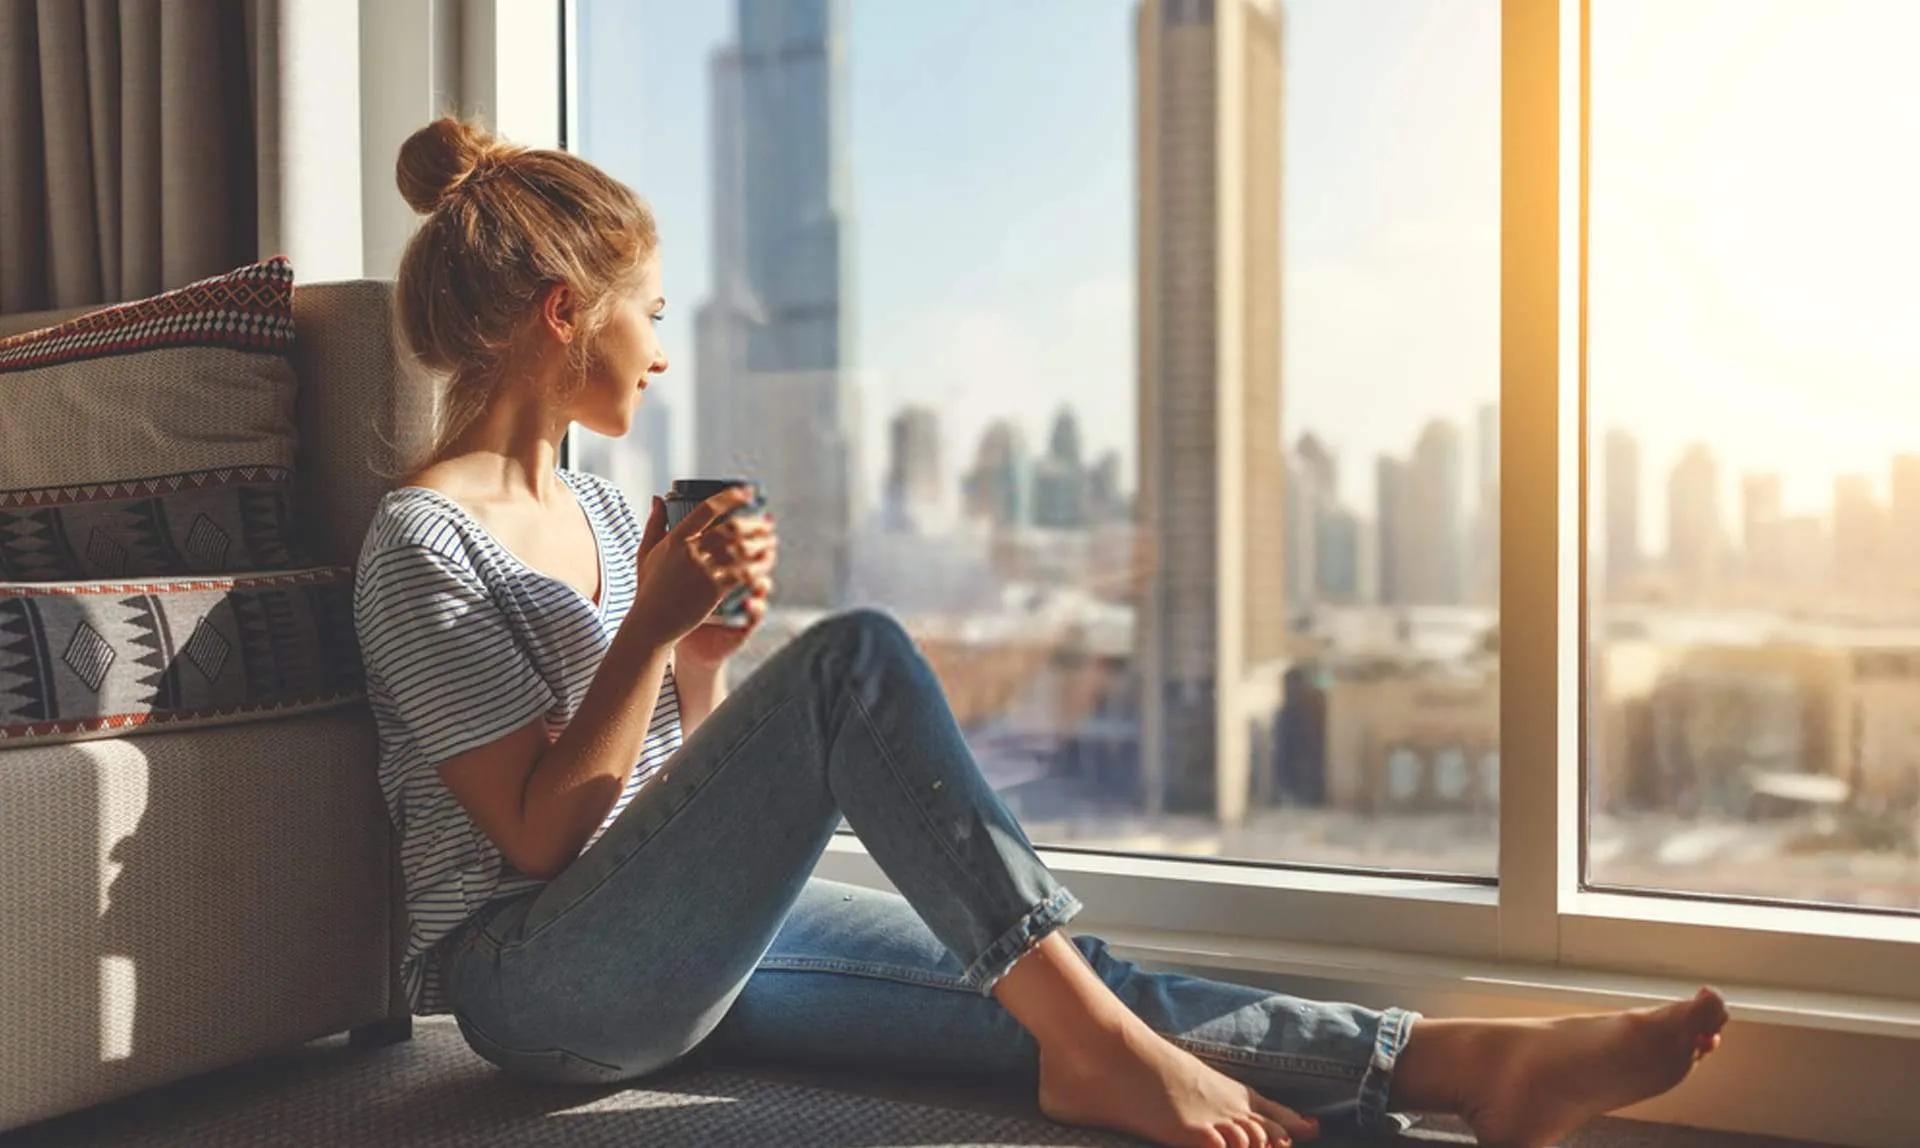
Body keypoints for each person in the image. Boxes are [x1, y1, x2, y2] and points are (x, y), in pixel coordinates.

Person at [352, 117, 1728, 1148]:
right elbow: (538, 842)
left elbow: (658, 798)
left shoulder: (601, 510)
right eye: (647, 310)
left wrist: (697, 665)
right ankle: (1123, 1063)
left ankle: (1451, 1068)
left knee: (1056, 982)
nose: (660, 345)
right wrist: (653, 628)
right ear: (562, 316)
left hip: (663, 941)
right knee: (856, 662)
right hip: (536, 987)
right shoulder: (422, 543)